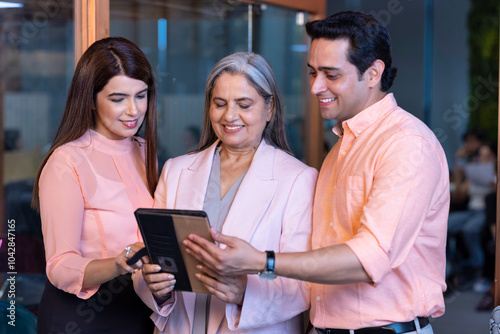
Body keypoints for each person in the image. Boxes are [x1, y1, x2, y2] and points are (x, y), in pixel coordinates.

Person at [184, 11, 450, 334]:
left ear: (373, 73)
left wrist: (262, 261)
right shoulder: (339, 150)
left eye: (331, 75)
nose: (315, 87)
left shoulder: (408, 144)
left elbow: (370, 257)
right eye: (312, 72)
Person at [133, 52, 318, 333]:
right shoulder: (176, 171)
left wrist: (245, 294)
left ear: (269, 109)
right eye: (220, 104)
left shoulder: (298, 180)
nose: (230, 116)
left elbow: (304, 282)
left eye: (244, 105)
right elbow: (146, 257)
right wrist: (154, 286)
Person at [32, 37, 158, 333]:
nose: (133, 110)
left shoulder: (144, 151)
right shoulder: (68, 161)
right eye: (118, 99)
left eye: (141, 95)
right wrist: (116, 264)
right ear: (90, 98)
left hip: (139, 308)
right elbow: (60, 266)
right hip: (82, 314)